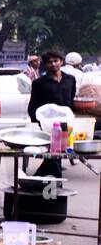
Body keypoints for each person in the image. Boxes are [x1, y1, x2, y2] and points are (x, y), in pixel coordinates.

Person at [28, 49, 77, 178]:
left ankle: (41, 183)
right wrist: (40, 122)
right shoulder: (39, 83)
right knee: (53, 155)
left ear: (61, 62)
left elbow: (71, 102)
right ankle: (52, 186)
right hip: (49, 126)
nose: (53, 64)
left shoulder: (70, 80)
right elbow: (32, 107)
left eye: (56, 61)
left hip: (66, 125)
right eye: (50, 62)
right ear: (46, 64)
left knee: (58, 156)